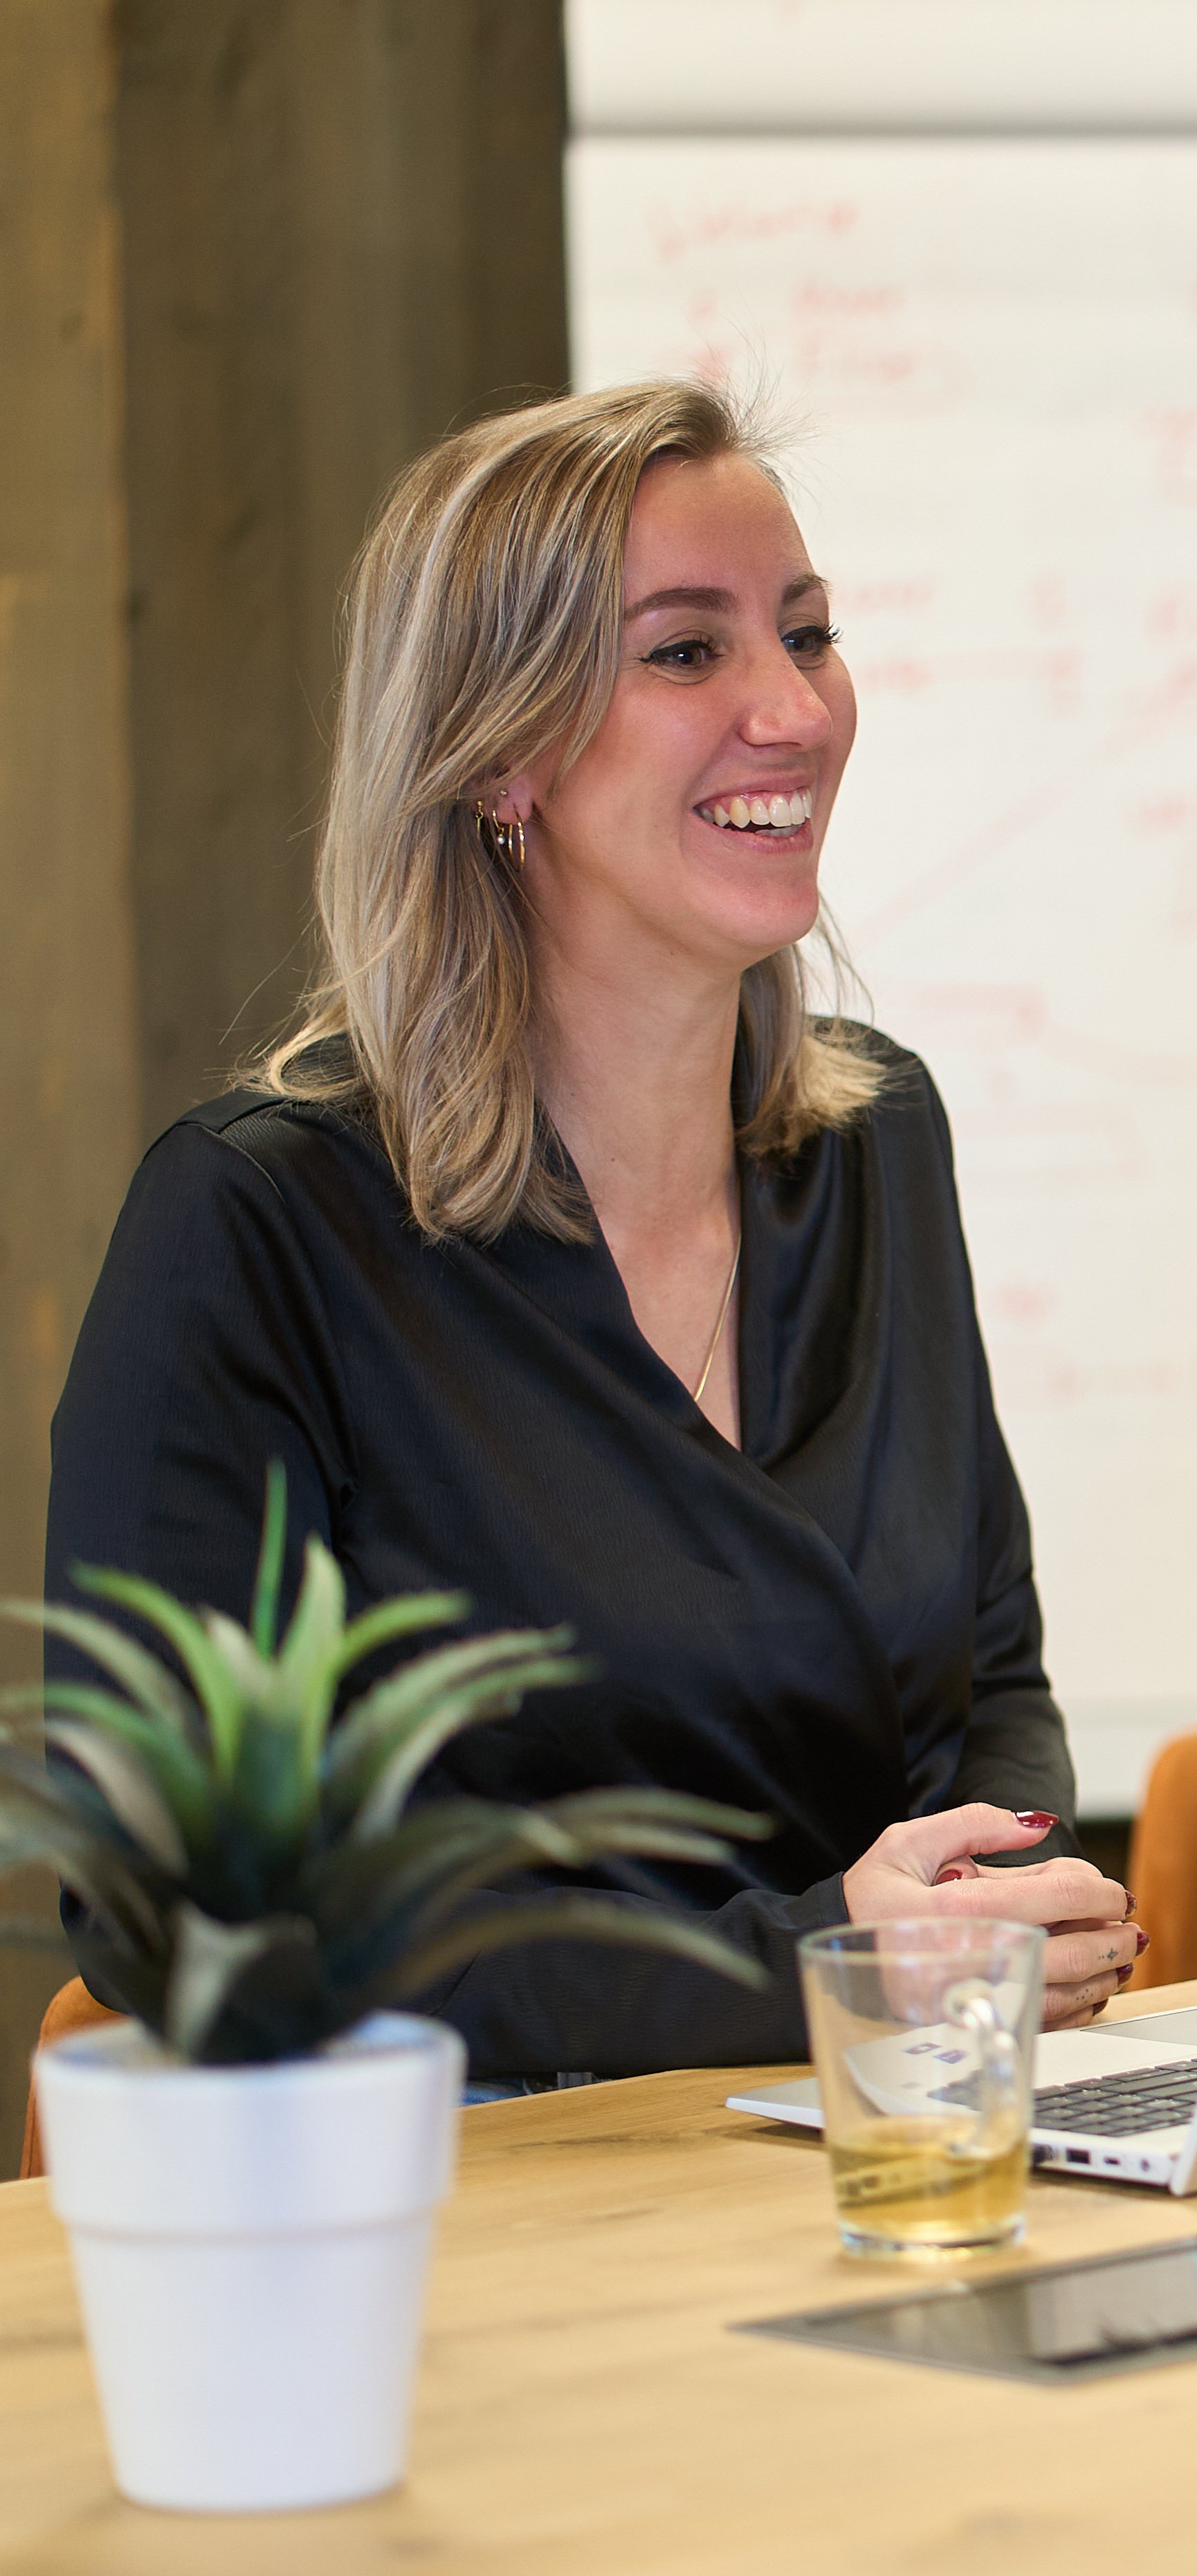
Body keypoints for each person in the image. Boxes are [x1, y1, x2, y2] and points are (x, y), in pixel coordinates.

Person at [48, 381, 1141, 2083]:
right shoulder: (259, 1222)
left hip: (902, 2134)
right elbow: (173, 1912)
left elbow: (988, 1668)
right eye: (687, 653)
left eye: (809, 633)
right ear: (498, 753)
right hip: (493, 2218)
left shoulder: (878, 1144)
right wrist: (827, 1969)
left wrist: (988, 1903)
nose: (793, 709)